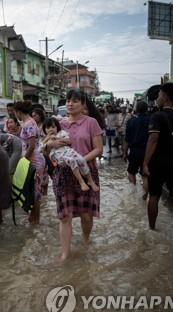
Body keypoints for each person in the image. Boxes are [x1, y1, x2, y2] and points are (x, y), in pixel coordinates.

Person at [45, 90, 103, 262]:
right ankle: (65, 253)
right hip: (63, 174)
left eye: (75, 101)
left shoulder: (91, 123)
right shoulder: (59, 123)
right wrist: (50, 144)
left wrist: (79, 161)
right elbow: (47, 149)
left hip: (86, 172)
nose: (70, 103)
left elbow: (98, 149)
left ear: (83, 104)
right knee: (65, 216)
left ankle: (86, 240)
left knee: (86, 215)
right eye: (68, 100)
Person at [143, 83, 173, 243]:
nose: (157, 98)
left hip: (158, 163)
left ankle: (152, 229)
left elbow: (153, 139)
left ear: (164, 97)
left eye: (159, 95)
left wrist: (145, 162)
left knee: (154, 195)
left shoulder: (157, 116)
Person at [41, 117, 99, 192]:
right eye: (48, 128)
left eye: (53, 127)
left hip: (69, 152)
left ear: (57, 127)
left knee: (81, 159)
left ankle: (90, 180)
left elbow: (69, 141)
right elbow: (42, 150)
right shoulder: (45, 139)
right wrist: (49, 142)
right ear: (44, 130)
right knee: (71, 161)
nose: (51, 129)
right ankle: (82, 182)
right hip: (60, 157)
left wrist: (58, 139)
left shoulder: (61, 133)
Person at [14, 100, 45, 225]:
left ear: (18, 112)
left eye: (15, 112)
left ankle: (35, 220)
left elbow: (31, 146)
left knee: (35, 193)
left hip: (34, 161)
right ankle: (33, 218)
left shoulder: (29, 124)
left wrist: (23, 160)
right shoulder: (28, 123)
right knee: (33, 191)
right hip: (33, 159)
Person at [123, 101, 150, 199]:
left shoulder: (131, 121)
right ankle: (145, 196)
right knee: (145, 175)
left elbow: (127, 139)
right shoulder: (151, 120)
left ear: (136, 109)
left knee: (131, 172)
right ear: (147, 109)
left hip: (134, 151)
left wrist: (125, 153)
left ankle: (133, 194)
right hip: (147, 152)